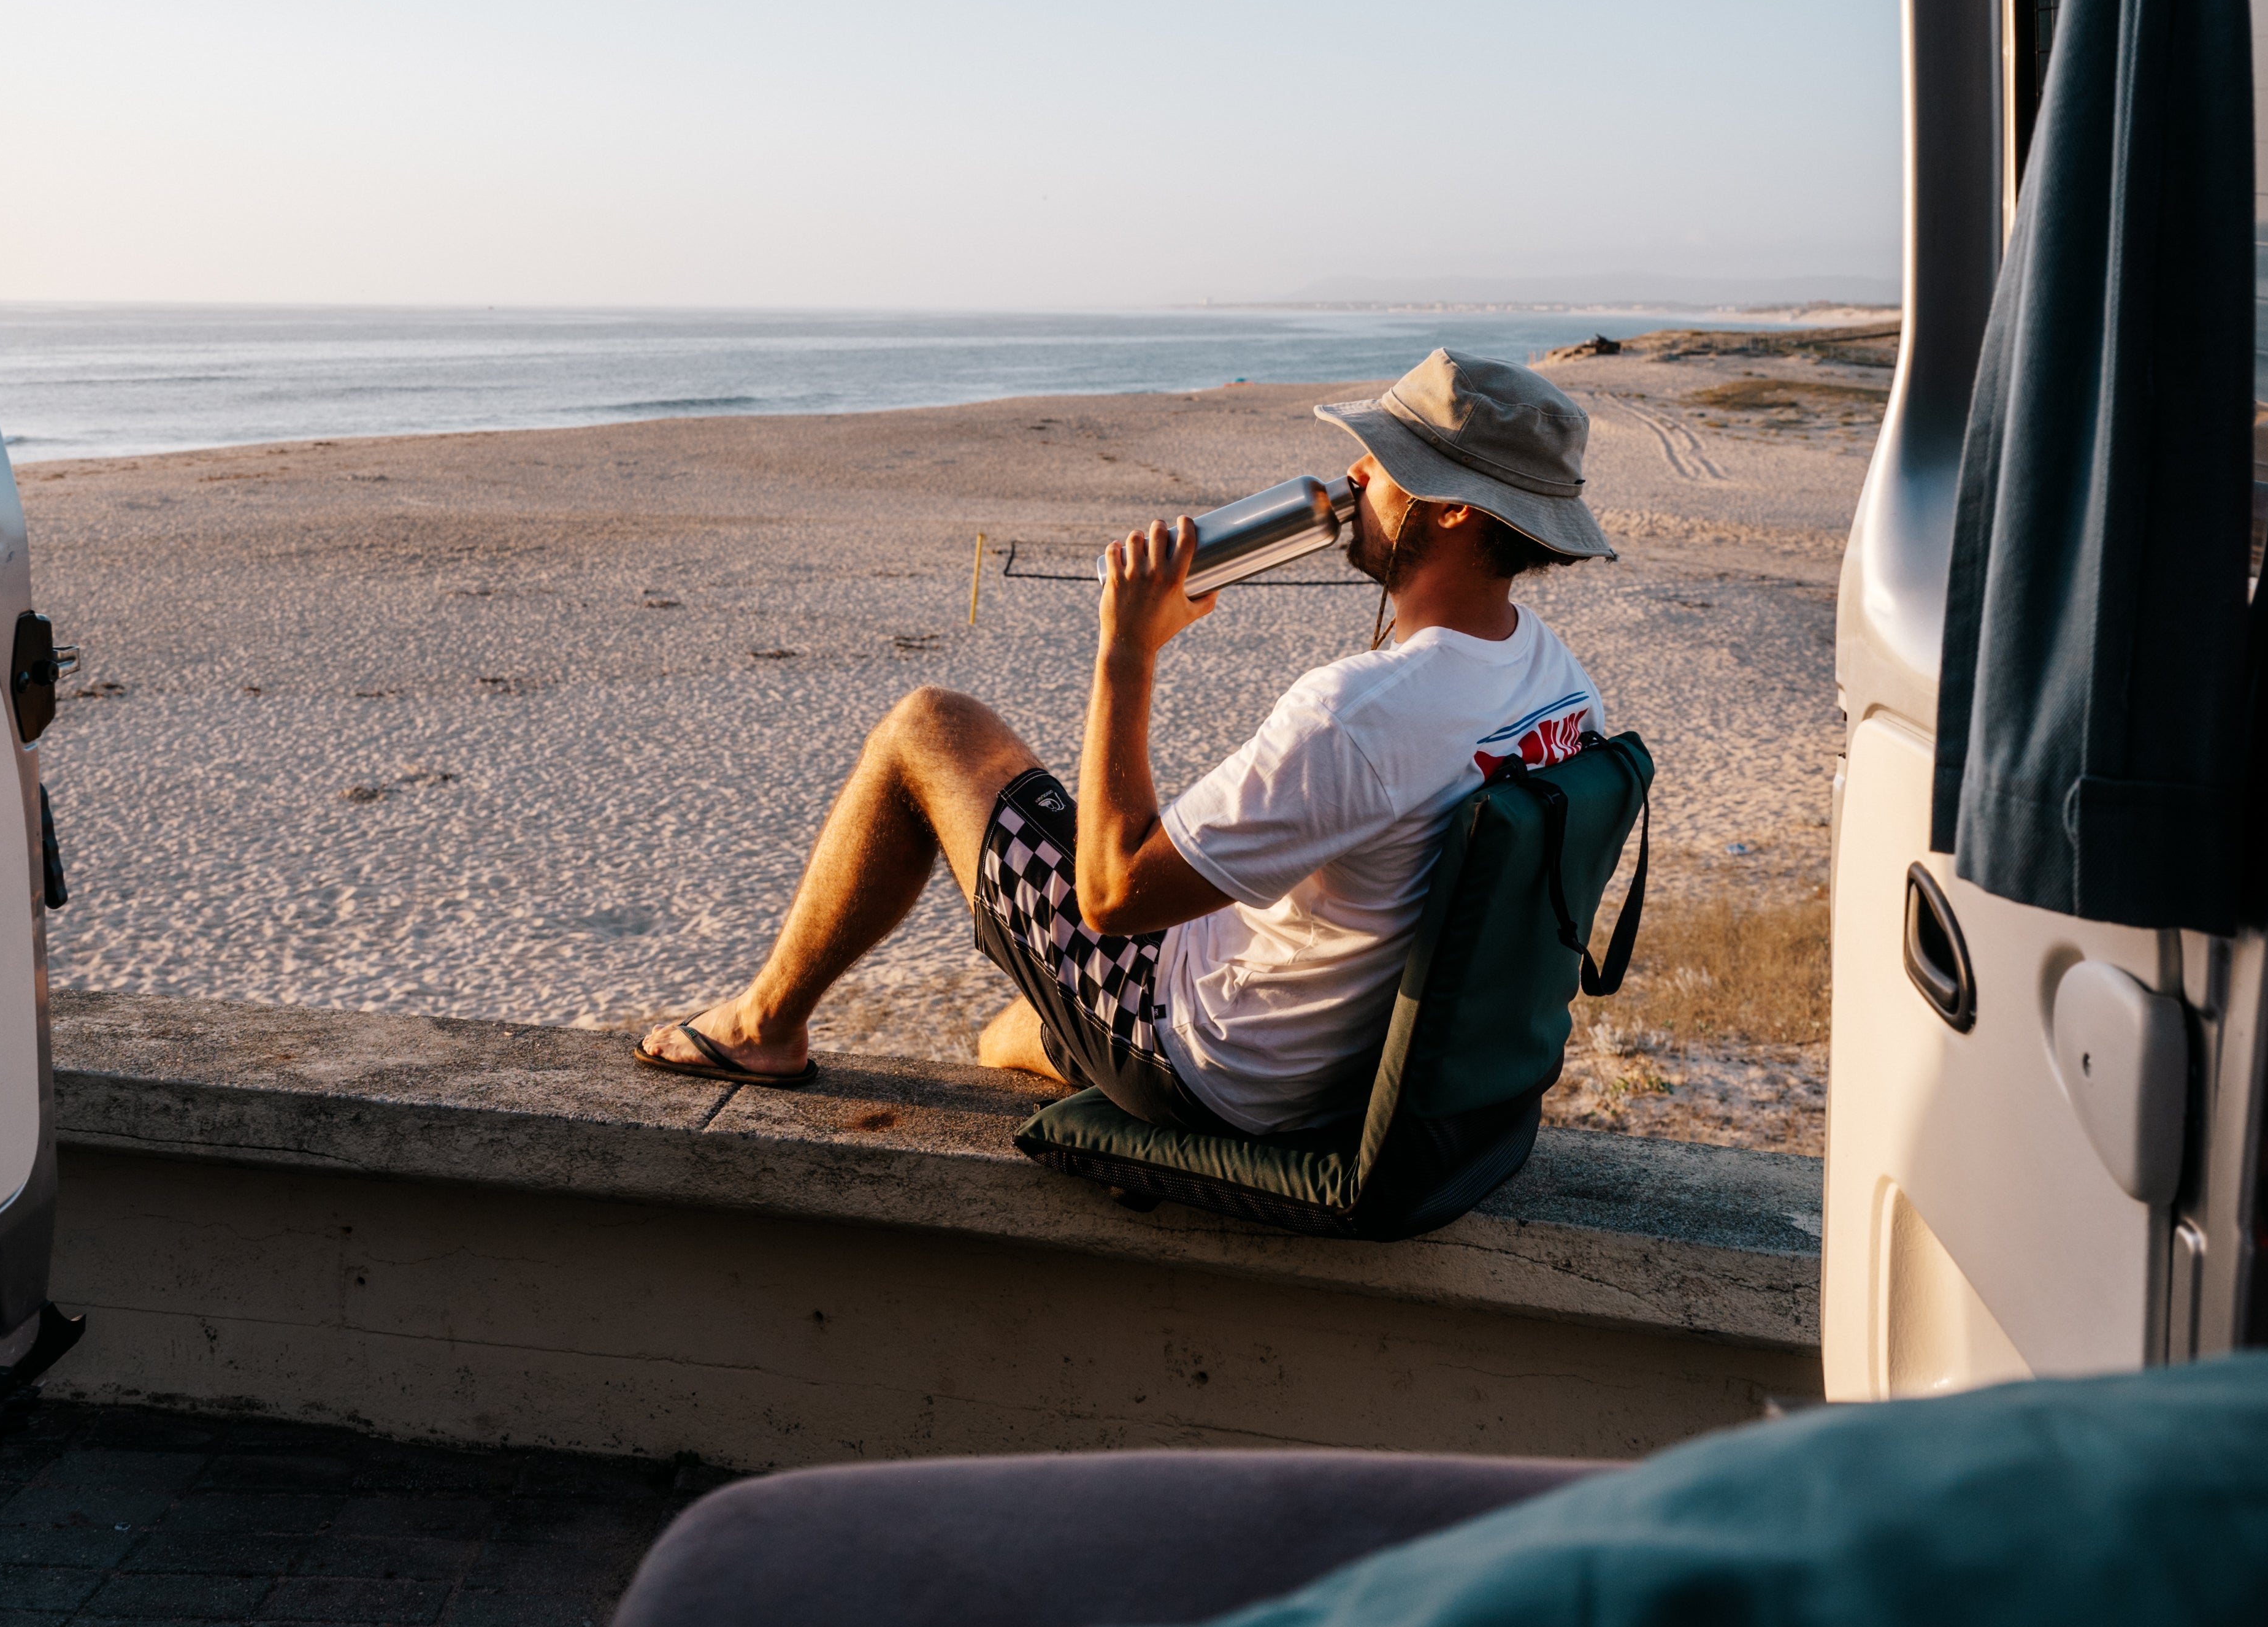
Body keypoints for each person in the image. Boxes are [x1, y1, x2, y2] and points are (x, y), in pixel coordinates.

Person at [638, 350, 1612, 1135]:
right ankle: (1059, 1040)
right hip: (1347, 1065)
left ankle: (764, 1028)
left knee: (931, 727)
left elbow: (1110, 899)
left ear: (1448, 508)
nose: (1357, 471)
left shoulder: (1358, 712)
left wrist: (1126, 651)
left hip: (1232, 1069)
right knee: (999, 1039)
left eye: (1387, 459)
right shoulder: (1562, 684)